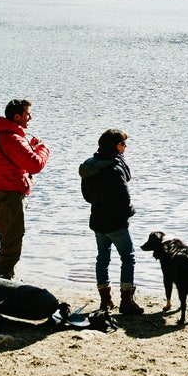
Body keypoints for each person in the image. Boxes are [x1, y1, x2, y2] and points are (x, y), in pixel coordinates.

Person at [79, 128, 145, 315]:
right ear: (115, 146)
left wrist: (100, 203)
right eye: (123, 143)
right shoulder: (115, 169)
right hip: (116, 222)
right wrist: (127, 215)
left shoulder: (90, 166)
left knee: (102, 259)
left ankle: (105, 301)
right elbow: (124, 200)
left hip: (98, 220)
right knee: (128, 257)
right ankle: (126, 301)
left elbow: (86, 196)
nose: (125, 146)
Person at [0, 98, 49, 280]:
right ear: (16, 116)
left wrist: (31, 147)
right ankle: (3, 282)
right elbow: (35, 165)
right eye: (27, 114)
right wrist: (43, 148)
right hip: (9, 199)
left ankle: (4, 279)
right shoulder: (12, 138)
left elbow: (17, 162)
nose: (30, 117)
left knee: (7, 243)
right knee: (11, 246)